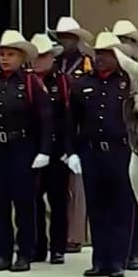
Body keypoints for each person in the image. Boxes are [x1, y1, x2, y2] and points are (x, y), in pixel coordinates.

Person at [0, 30, 53, 272]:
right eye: (2, 54)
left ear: (21, 57)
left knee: (24, 203)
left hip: (22, 148)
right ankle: (3, 252)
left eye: (10, 54)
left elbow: (45, 119)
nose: (5, 59)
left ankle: (25, 253)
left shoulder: (31, 84)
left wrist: (44, 150)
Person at [69, 31, 136, 277]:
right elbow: (72, 120)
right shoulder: (83, 84)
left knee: (120, 206)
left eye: (107, 54)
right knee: (96, 207)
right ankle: (100, 259)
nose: (101, 58)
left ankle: (118, 260)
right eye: (98, 53)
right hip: (92, 151)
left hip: (120, 150)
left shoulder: (128, 83)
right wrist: (73, 152)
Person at [29, 33, 75, 266]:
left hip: (57, 149)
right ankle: (37, 246)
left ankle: (58, 247)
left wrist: (69, 149)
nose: (38, 61)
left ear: (52, 58)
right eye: (35, 56)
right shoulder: (26, 81)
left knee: (58, 200)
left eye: (43, 56)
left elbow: (70, 117)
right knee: (33, 199)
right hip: (32, 148)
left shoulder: (64, 82)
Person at [52, 16, 93, 254]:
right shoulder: (55, 62)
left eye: (68, 37)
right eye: (61, 37)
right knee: (58, 187)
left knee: (78, 187)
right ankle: (58, 233)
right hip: (57, 126)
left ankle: (75, 235)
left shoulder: (86, 63)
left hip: (79, 128)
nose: (64, 41)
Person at [111, 19, 138, 270]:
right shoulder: (117, 73)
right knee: (117, 202)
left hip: (135, 143)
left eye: (127, 40)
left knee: (136, 200)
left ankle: (135, 251)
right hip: (114, 143)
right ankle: (117, 250)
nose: (123, 45)